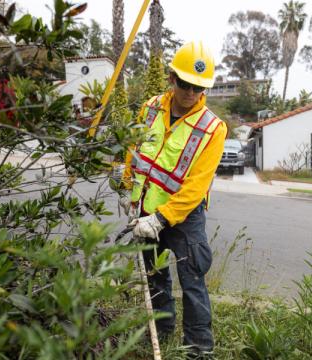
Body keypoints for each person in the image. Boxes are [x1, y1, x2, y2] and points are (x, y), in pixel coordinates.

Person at [123, 41, 227, 358]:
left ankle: (198, 350)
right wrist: (127, 184)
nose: (190, 92)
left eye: (198, 86)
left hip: (184, 217)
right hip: (145, 211)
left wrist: (162, 218)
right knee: (154, 276)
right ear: (172, 78)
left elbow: (196, 186)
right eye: (184, 83)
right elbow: (135, 150)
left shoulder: (213, 128)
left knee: (192, 282)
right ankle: (161, 329)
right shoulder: (150, 107)